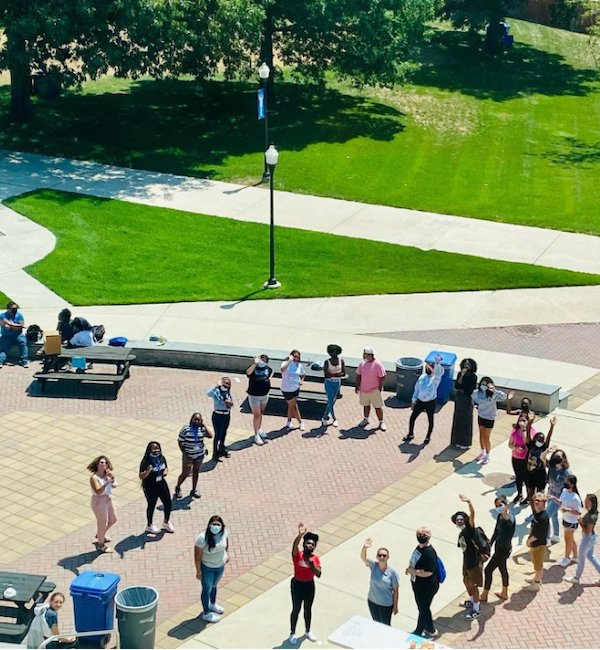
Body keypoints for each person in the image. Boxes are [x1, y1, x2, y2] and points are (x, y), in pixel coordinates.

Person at [451, 495, 488, 620]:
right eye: (457, 520)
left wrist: (469, 503)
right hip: (466, 561)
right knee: (466, 582)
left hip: (474, 563)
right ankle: (472, 601)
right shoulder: (462, 533)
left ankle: (476, 609)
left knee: (474, 585)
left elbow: (473, 515)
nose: (459, 521)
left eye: (461, 519)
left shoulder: (470, 530)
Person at [289, 523, 321, 644]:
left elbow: (318, 574)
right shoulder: (298, 555)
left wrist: (312, 565)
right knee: (296, 608)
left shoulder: (315, 559)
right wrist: (300, 535)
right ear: (304, 544)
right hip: (297, 585)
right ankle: (292, 633)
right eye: (308, 543)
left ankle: (308, 630)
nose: (310, 545)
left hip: (309, 586)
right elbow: (294, 546)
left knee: (308, 609)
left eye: (313, 544)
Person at [194, 515, 229, 623]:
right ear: (209, 525)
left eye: (218, 525)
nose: (215, 527)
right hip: (207, 568)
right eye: (213, 525)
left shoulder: (224, 533)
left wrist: (227, 554)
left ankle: (212, 604)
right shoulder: (202, 539)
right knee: (206, 588)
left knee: (214, 585)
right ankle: (206, 613)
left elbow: (226, 544)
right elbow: (197, 556)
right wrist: (199, 571)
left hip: (219, 566)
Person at [406, 527, 440, 638]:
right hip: (417, 585)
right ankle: (430, 629)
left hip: (427, 587)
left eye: (424, 535)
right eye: (419, 534)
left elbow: (428, 572)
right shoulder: (419, 548)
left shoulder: (429, 552)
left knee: (423, 608)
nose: (421, 537)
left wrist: (413, 571)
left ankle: (418, 632)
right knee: (423, 607)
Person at [481, 495, 515, 602]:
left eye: (500, 505)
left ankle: (485, 594)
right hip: (498, 547)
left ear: (506, 505)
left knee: (488, 570)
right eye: (496, 506)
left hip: (503, 550)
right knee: (502, 569)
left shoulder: (510, 519)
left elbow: (508, 521)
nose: (498, 508)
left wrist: (505, 516)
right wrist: (490, 544)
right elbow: (496, 531)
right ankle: (504, 592)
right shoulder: (500, 516)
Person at [404, 356, 443, 445]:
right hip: (420, 402)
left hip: (430, 402)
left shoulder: (435, 380)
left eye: (430, 368)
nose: (428, 369)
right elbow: (416, 389)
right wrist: (413, 401)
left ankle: (428, 436)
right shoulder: (422, 377)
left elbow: (438, 374)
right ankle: (410, 434)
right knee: (412, 418)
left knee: (430, 420)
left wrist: (437, 363)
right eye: (427, 367)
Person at [360, 538, 399, 626]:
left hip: (386, 605)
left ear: (388, 557)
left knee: (385, 626)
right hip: (372, 602)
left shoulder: (392, 572)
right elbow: (363, 557)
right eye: (379, 555)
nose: (381, 557)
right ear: (377, 556)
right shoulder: (373, 565)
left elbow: (396, 591)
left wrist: (395, 606)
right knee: (376, 625)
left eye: (384, 556)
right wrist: (365, 548)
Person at [174, 412, 213, 499]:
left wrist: (204, 425)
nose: (197, 421)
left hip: (199, 455)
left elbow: (210, 436)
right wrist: (185, 454)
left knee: (196, 471)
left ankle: (194, 490)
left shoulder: (202, 429)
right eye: (195, 419)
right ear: (191, 419)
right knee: (185, 473)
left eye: (199, 420)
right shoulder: (185, 429)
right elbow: (180, 442)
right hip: (188, 455)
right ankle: (178, 487)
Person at [564, 494, 600, 585]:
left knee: (581, 558)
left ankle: (577, 577)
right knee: (591, 556)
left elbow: (587, 531)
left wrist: (580, 523)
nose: (585, 503)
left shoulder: (591, 516)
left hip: (587, 539)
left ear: (592, 503)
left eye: (587, 502)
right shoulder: (593, 513)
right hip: (591, 538)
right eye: (585, 501)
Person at [139, 441, 174, 534]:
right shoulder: (146, 461)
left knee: (168, 503)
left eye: (157, 448)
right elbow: (141, 476)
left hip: (161, 484)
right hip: (150, 486)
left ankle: (166, 522)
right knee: (151, 505)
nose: (156, 451)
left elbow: (165, 467)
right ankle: (149, 525)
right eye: (153, 449)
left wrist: (166, 471)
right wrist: (147, 471)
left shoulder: (161, 458)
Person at [525, 416, 556, 517]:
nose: (540, 441)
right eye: (539, 439)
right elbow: (528, 433)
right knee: (531, 494)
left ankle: (540, 511)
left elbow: (549, 438)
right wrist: (529, 423)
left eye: (542, 440)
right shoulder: (531, 445)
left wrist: (552, 426)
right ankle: (534, 512)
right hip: (530, 473)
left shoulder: (544, 447)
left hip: (541, 474)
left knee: (540, 494)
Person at [549, 475, 582, 567]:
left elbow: (579, 512)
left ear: (572, 484)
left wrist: (568, 510)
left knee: (568, 540)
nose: (565, 484)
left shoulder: (575, 497)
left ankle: (567, 557)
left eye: (567, 482)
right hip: (565, 519)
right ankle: (575, 556)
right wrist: (553, 498)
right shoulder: (564, 492)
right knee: (571, 539)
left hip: (572, 522)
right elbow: (561, 502)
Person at [472, 377, 507, 464]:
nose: (484, 386)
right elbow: (477, 399)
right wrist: (486, 400)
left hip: (490, 417)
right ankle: (482, 452)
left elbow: (504, 397)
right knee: (481, 435)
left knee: (486, 437)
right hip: (481, 416)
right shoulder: (477, 393)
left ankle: (487, 455)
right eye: (482, 384)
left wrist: (495, 391)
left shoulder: (494, 394)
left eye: (486, 385)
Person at [87, 455, 117, 553]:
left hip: (108, 498)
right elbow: (98, 491)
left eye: (106, 463)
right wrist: (106, 483)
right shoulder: (94, 477)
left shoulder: (107, 474)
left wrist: (112, 478)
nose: (104, 464)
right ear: (97, 464)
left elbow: (115, 485)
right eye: (102, 462)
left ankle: (100, 534)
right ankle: (100, 544)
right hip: (99, 501)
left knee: (113, 519)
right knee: (102, 523)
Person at [543, 447, 573, 544]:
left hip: (558, 497)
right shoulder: (552, 466)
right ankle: (555, 535)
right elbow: (541, 458)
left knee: (546, 517)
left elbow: (570, 487)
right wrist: (547, 451)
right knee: (553, 516)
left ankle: (546, 538)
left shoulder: (566, 472)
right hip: (550, 493)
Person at [355, 346, 387, 431]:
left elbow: (382, 376)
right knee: (366, 405)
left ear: (371, 355)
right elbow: (358, 375)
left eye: (366, 354)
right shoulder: (362, 364)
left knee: (378, 407)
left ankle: (381, 422)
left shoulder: (377, 364)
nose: (365, 356)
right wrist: (357, 386)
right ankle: (366, 419)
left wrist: (379, 388)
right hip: (364, 389)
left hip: (374, 390)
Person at [246, 354, 273, 446]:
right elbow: (248, 373)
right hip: (254, 395)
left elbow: (271, 373)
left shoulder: (268, 369)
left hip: (264, 395)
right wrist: (254, 364)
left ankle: (259, 428)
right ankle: (256, 435)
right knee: (257, 414)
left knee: (261, 412)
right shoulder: (253, 369)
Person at [451, 358, 478, 449]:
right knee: (458, 419)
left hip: (467, 400)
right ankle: (456, 440)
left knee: (466, 421)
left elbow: (470, 390)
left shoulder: (473, 377)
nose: (467, 366)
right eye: (465, 364)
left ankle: (464, 442)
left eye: (468, 365)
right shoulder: (460, 374)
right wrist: (461, 376)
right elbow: (456, 386)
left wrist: (462, 390)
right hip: (459, 399)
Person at [525, 492, 549, 591]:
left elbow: (539, 534)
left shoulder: (543, 517)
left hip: (539, 545)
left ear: (544, 502)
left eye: (538, 501)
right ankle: (535, 578)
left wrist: (529, 541)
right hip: (535, 544)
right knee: (535, 563)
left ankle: (537, 583)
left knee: (538, 566)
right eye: (535, 501)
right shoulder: (537, 514)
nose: (536, 503)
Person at [207, 377, 233, 461]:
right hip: (218, 415)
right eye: (225, 383)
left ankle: (222, 449)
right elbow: (208, 393)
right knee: (218, 434)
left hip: (226, 415)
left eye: (228, 384)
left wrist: (230, 403)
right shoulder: (216, 391)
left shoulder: (227, 393)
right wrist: (216, 386)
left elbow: (231, 403)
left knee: (224, 433)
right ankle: (215, 453)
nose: (226, 385)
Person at [281, 350, 306, 431]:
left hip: (295, 388)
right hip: (286, 389)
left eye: (297, 357)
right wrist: (289, 360)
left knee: (291, 406)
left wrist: (301, 380)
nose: (296, 358)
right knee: (294, 406)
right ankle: (300, 422)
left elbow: (302, 374)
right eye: (294, 356)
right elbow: (282, 369)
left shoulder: (299, 365)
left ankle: (289, 421)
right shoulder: (285, 363)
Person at [508, 414, 530, 505]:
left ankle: (529, 495)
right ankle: (519, 493)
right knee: (518, 477)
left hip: (526, 458)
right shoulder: (514, 432)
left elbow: (528, 442)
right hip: (516, 457)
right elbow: (510, 444)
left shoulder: (530, 431)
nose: (522, 422)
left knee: (527, 477)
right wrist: (515, 448)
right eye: (520, 420)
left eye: (524, 420)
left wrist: (524, 430)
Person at [322, 344, 345, 428]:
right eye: (331, 352)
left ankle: (324, 416)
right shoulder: (327, 362)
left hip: (337, 383)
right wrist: (337, 374)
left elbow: (343, 373)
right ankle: (334, 418)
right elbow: (326, 375)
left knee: (333, 400)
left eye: (335, 352)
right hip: (328, 383)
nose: (333, 354)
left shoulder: (341, 361)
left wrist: (333, 374)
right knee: (330, 400)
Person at [0, 301, 28, 368]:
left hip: (17, 335)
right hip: (6, 336)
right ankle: (1, 361)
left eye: (16, 308)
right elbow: (5, 322)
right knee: (4, 348)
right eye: (13, 309)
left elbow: (21, 324)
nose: (15, 310)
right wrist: (17, 326)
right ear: (8, 309)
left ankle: (24, 361)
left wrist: (12, 327)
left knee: (23, 343)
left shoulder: (19, 315)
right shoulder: (3, 315)